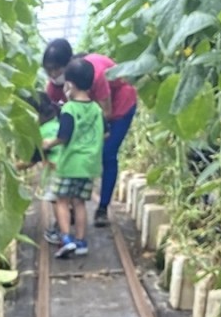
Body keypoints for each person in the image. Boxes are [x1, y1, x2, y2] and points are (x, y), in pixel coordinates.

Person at [42, 37, 138, 227]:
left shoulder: (95, 74)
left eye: (56, 69)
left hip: (120, 106)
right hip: (91, 114)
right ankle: (70, 207)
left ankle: (102, 208)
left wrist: (78, 135)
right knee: (72, 153)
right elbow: (52, 115)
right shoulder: (54, 87)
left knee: (107, 154)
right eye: (48, 70)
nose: (53, 74)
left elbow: (106, 112)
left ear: (68, 64)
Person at [41, 58, 102, 259]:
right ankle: (81, 242)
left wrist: (48, 143)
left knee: (61, 200)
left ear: (70, 84)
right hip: (89, 165)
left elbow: (63, 136)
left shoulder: (69, 109)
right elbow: (105, 132)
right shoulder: (96, 109)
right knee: (80, 203)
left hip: (70, 164)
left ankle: (66, 239)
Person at [24, 90, 65, 246]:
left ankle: (61, 233)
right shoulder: (58, 124)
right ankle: (69, 232)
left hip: (55, 171)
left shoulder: (41, 132)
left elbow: (32, 161)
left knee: (57, 202)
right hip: (71, 167)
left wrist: (13, 167)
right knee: (67, 201)